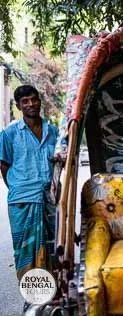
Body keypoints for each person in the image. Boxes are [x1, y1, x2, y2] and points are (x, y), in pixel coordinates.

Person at [0, 85, 58, 280]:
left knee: (53, 247)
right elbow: (4, 165)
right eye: (25, 101)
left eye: (34, 99)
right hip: (22, 201)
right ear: (18, 106)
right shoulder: (9, 134)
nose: (30, 104)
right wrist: (19, 189)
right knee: (25, 253)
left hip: (49, 200)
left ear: (39, 101)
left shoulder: (53, 132)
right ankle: (33, 299)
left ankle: (53, 297)